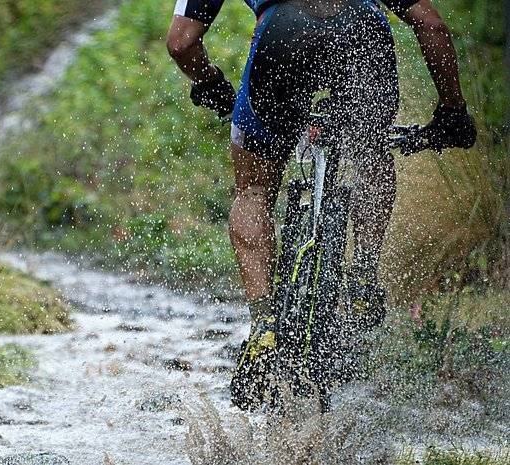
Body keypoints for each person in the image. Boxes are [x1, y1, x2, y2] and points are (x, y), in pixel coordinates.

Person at [166, 0, 476, 410]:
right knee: (370, 154)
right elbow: (431, 25)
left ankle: (263, 326)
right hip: (360, 35)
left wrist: (208, 82)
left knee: (254, 191)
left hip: (282, 36)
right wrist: (453, 109)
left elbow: (180, 42)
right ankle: (362, 278)